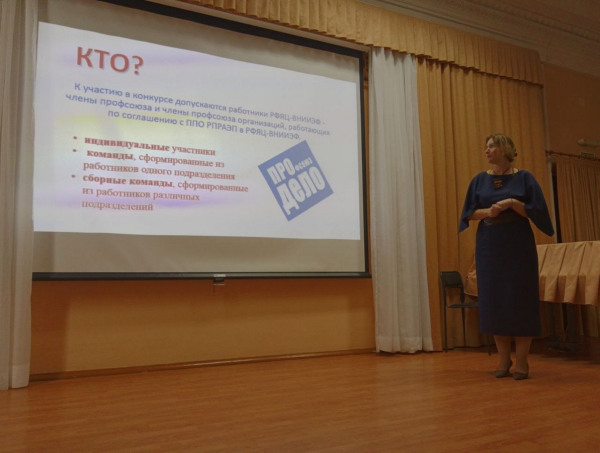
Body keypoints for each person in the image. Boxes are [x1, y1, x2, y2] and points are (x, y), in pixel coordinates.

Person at [459, 133, 554, 380]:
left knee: (521, 299)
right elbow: (468, 214)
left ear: (505, 149)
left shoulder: (525, 178)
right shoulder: (479, 180)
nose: (487, 150)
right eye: (486, 146)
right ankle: (503, 360)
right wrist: (488, 212)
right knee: (494, 300)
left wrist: (512, 202)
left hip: (518, 245)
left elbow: (537, 212)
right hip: (489, 245)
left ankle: (522, 361)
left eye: (492, 146)